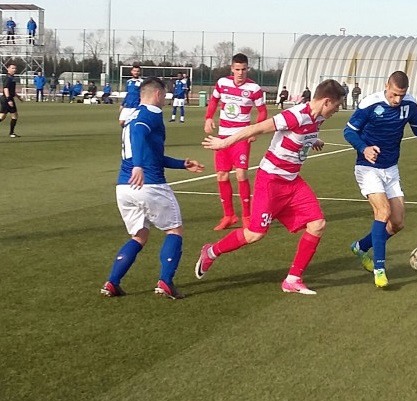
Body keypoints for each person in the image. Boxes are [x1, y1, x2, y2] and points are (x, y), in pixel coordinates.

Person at [196, 79, 346, 295]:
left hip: (292, 181)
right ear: (326, 102)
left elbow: (302, 133)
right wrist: (224, 143)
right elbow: (255, 128)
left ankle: (292, 279)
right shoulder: (295, 115)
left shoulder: (318, 117)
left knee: (318, 224)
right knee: (255, 234)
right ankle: (211, 251)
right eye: (337, 105)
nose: (337, 110)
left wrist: (313, 140)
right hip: (271, 181)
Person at [343, 71, 417, 288]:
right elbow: (349, 132)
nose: (397, 100)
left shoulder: (410, 105)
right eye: (394, 94)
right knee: (383, 212)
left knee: (397, 223)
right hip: (368, 168)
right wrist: (364, 148)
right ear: (387, 86)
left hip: (391, 169)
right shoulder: (370, 104)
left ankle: (360, 247)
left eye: (401, 96)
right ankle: (380, 270)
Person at [100, 77, 205, 299]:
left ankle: (112, 282)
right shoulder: (151, 113)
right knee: (174, 230)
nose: (165, 100)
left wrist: (182, 164)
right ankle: (165, 282)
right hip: (149, 183)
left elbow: (154, 155)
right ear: (158, 94)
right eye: (165, 95)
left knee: (140, 235)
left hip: (125, 186)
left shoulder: (132, 115)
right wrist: (138, 166)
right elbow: (139, 133)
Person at [204, 53, 267, 231]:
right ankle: (229, 215)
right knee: (222, 175)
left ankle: (246, 216)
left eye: (244, 69)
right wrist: (208, 117)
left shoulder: (254, 88)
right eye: (237, 69)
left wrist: (255, 130)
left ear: (248, 69)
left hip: (241, 137)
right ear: (232, 68)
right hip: (223, 137)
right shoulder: (222, 83)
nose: (240, 73)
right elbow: (214, 100)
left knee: (241, 174)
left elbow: (262, 111)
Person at [0, 63, 22, 137]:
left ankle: (12, 133)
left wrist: (18, 96)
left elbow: (11, 90)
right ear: (8, 69)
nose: (14, 70)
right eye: (12, 68)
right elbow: (6, 89)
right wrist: (9, 100)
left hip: (8, 98)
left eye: (15, 68)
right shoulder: (8, 78)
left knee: (4, 116)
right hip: (6, 99)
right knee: (12, 116)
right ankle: (11, 133)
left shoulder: (12, 78)